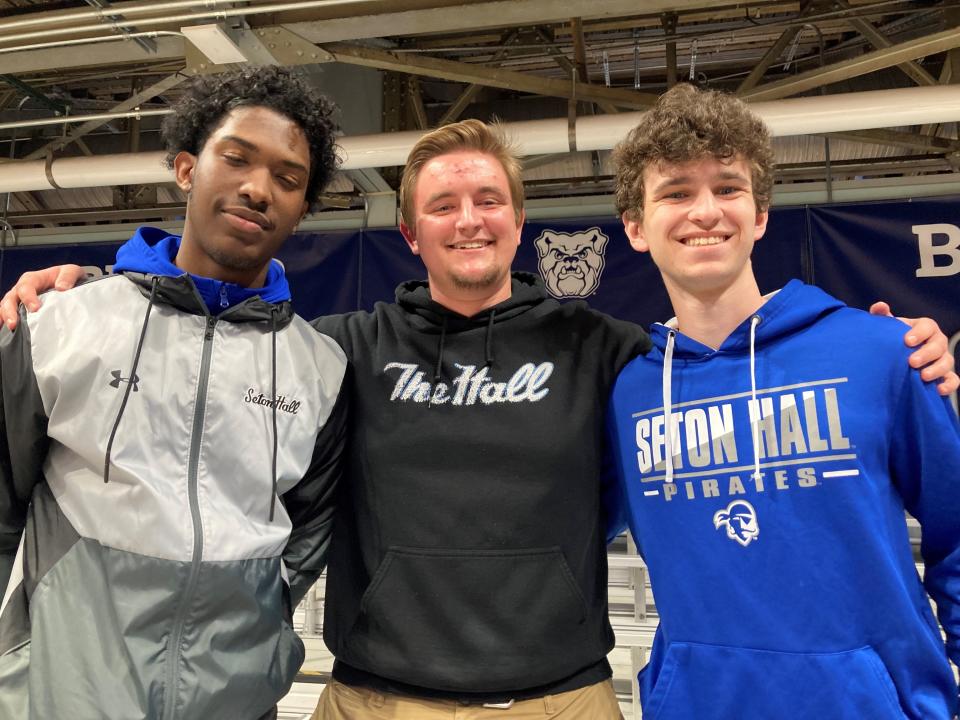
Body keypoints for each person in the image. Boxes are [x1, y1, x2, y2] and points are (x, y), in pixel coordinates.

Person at [2, 118, 956, 720]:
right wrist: (98, 285)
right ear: (411, 233)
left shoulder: (610, 351)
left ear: (518, 221)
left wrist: (903, 348)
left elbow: (725, 360)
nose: (470, 218)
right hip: (374, 699)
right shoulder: (341, 347)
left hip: (564, 700)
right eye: (443, 204)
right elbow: (212, 341)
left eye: (489, 199)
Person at [0, 66, 348, 720]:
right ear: (187, 168)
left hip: (233, 703)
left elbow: (308, 529)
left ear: (303, 206)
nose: (257, 188)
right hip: (59, 698)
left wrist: (259, 629)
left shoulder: (321, 370)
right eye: (236, 158)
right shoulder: (58, 327)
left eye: (287, 178)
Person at [608, 83, 960, 720]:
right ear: (636, 226)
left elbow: (956, 530)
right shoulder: (623, 389)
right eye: (676, 192)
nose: (705, 211)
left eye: (728, 187)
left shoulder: (884, 352)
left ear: (761, 214)